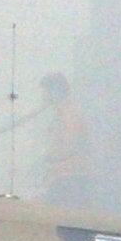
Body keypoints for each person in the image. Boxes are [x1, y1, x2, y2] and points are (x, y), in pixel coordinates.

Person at [41, 73, 92, 208]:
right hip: (62, 176)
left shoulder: (70, 113)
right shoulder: (61, 112)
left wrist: (49, 158)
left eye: (45, 92)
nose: (43, 97)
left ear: (55, 91)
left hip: (70, 177)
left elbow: (71, 144)